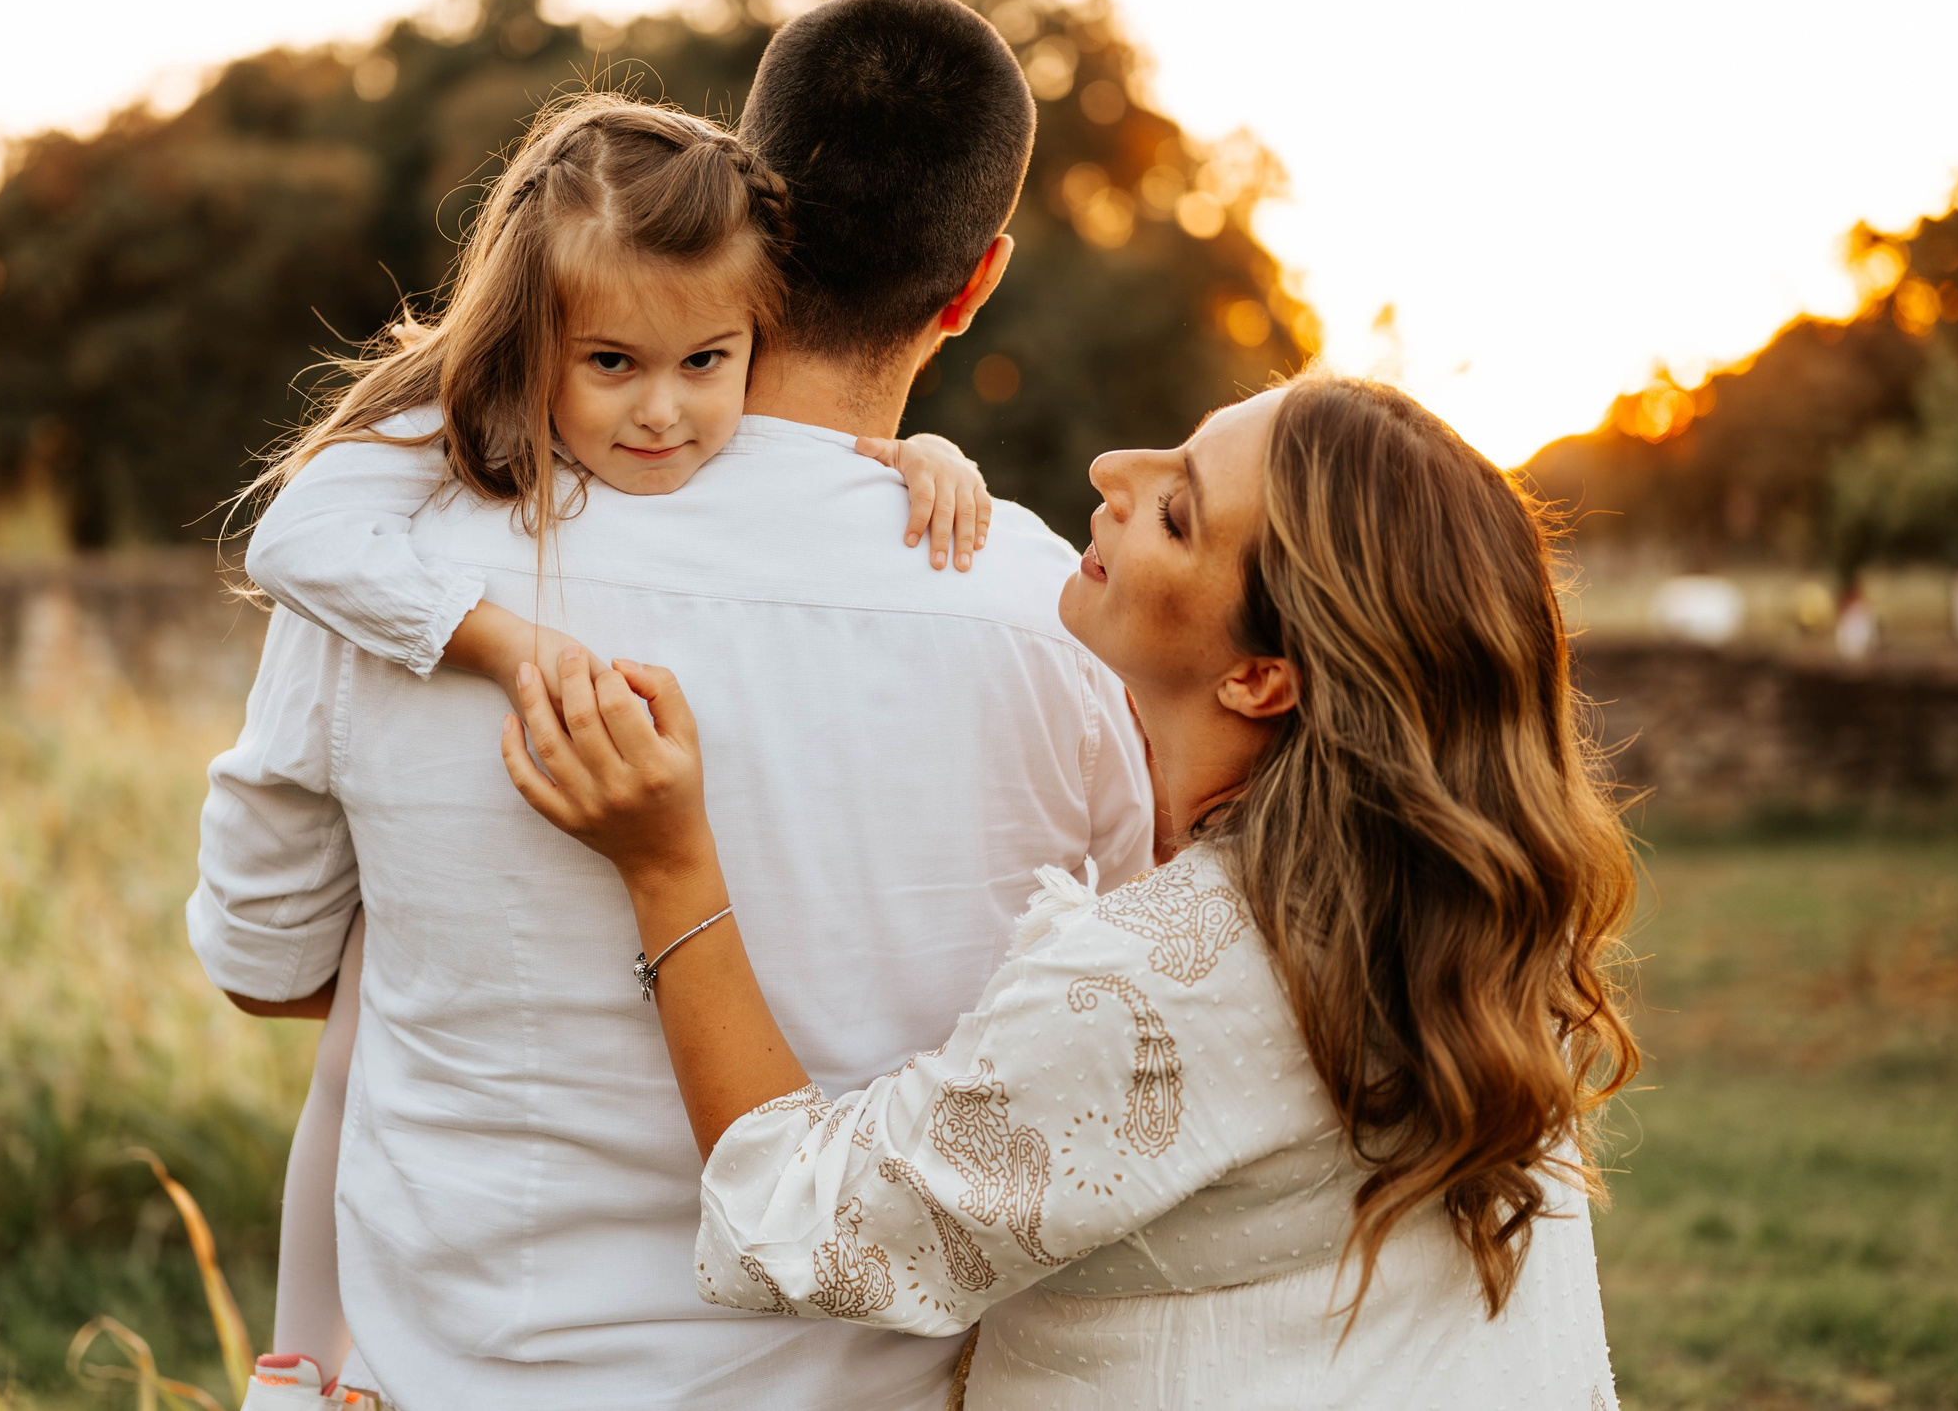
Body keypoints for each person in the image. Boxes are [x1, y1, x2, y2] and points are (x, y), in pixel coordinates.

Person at [188, 0, 1156, 1410]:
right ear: (975, 283)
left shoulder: (401, 566)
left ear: (761, 217)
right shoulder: (1055, 617)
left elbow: (263, 966)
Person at [503, 375, 1642, 1410]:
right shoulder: (1455, 923)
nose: (1113, 473)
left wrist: (667, 865)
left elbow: (804, 1223)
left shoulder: (1166, 979)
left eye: (1178, 511)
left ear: (1259, 676)